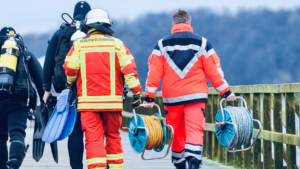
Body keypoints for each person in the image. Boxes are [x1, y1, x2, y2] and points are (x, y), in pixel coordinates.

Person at [143, 10, 237, 169]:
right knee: (195, 129)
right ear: (188, 22)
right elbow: (214, 71)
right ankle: (194, 157)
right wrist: (226, 92)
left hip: (172, 98)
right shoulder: (202, 43)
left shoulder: (161, 45)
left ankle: (179, 162)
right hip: (196, 96)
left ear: (173, 24)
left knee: (176, 131)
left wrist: (149, 97)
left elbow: (154, 74)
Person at [63, 9, 143, 169]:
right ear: (108, 25)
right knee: (113, 137)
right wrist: (137, 92)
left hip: (88, 104)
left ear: (88, 26)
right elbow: (129, 70)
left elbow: (70, 68)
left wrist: (70, 83)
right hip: (113, 103)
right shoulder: (117, 44)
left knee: (94, 140)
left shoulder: (79, 45)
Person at [42, 1, 91, 169]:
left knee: (75, 131)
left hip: (68, 89)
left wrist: (46, 89)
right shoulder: (95, 32)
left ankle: (76, 166)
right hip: (92, 88)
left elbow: (48, 62)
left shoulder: (60, 33)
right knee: (94, 129)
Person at [0, 27, 44, 169]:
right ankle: (14, 164)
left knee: (0, 139)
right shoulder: (26, 55)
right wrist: (44, 100)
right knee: (17, 134)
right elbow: (40, 79)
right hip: (19, 101)